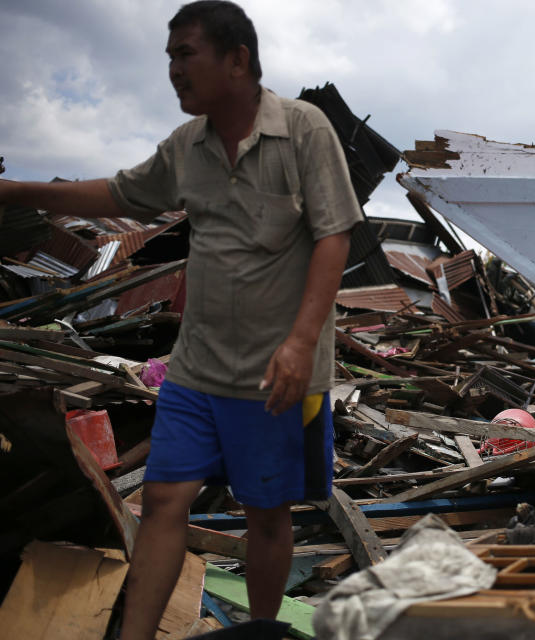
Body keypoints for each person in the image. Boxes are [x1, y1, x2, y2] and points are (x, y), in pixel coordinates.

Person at [0, 2, 363, 637]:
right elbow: (117, 193)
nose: (172, 70)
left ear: (237, 60)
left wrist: (302, 341)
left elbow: (335, 237)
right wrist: (20, 192)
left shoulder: (303, 131)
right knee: (165, 498)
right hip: (195, 369)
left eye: (184, 54)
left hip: (275, 375)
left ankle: (262, 627)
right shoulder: (186, 147)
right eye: (169, 56)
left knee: (266, 514)